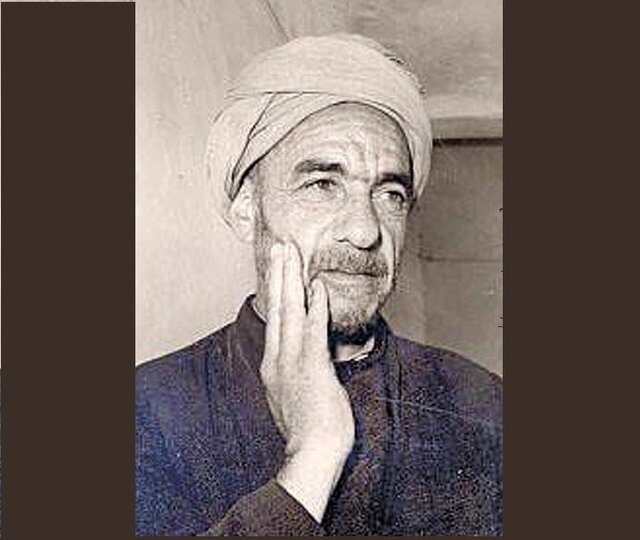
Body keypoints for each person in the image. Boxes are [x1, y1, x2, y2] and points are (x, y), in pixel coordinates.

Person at [136, 34, 502, 536]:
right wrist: (314, 457)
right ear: (247, 208)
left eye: (390, 194)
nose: (366, 231)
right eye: (323, 184)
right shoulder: (147, 413)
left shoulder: (482, 406)